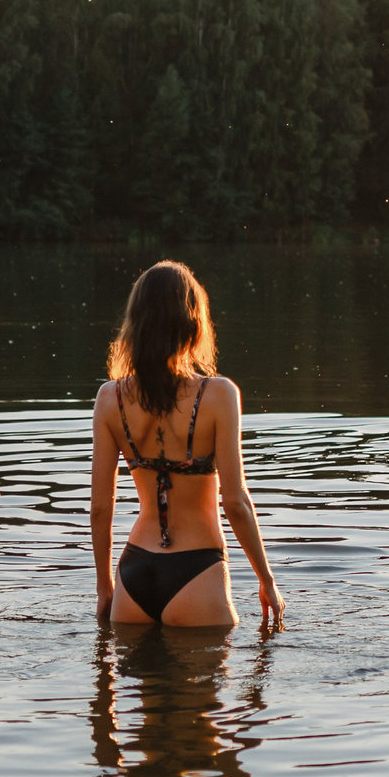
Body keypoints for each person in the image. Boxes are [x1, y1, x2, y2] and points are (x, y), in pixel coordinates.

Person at [93, 261, 285, 630]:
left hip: (133, 571)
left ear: (136, 322)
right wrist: (266, 579)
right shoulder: (219, 395)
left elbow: (101, 506)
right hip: (197, 569)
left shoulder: (109, 398)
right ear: (192, 322)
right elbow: (235, 503)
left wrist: (105, 587)